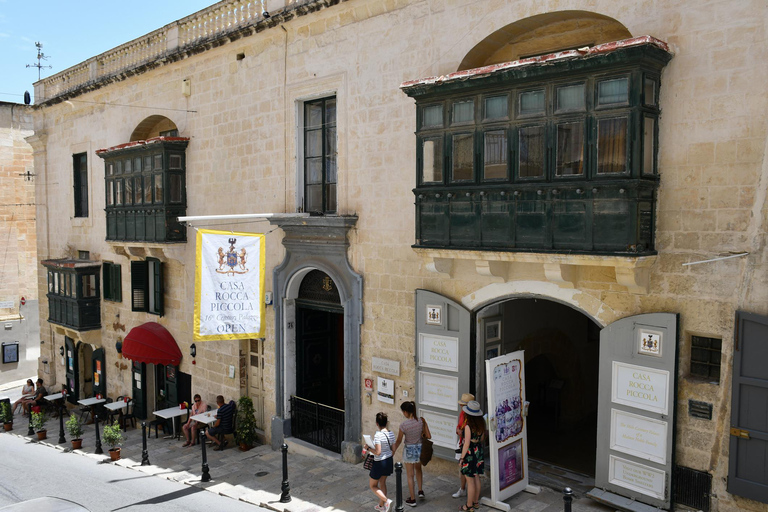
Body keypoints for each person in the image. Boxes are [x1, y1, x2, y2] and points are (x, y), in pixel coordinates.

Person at [392, 401, 430, 507]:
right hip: (419, 448)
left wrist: (393, 450)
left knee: (410, 475)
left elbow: (399, 440)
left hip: (409, 450)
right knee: (419, 470)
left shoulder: (403, 425)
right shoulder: (421, 421)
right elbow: (428, 435)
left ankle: (412, 499)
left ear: (405, 412)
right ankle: (420, 491)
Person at [458, 400, 485, 512]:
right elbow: (482, 438)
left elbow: (467, 443)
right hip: (478, 450)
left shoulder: (468, 426)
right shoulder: (482, 423)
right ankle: (476, 502)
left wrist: (462, 457)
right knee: (477, 477)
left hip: (470, 453)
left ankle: (468, 506)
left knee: (470, 480)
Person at [368, 412, 396, 512]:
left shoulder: (378, 435)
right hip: (388, 461)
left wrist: (368, 448)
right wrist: (388, 455)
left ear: (377, 423)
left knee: (373, 485)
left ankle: (386, 501)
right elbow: (393, 449)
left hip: (379, 463)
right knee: (382, 482)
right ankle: (381, 506)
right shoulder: (391, 433)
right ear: (386, 423)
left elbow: (378, 452)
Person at [452, 392, 474, 499]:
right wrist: (458, 429)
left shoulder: (473, 417)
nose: (461, 406)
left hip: (468, 444)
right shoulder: (462, 413)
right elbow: (459, 425)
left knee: (467, 470)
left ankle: (471, 497)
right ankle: (462, 489)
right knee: (462, 469)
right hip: (461, 442)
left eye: (463, 405)